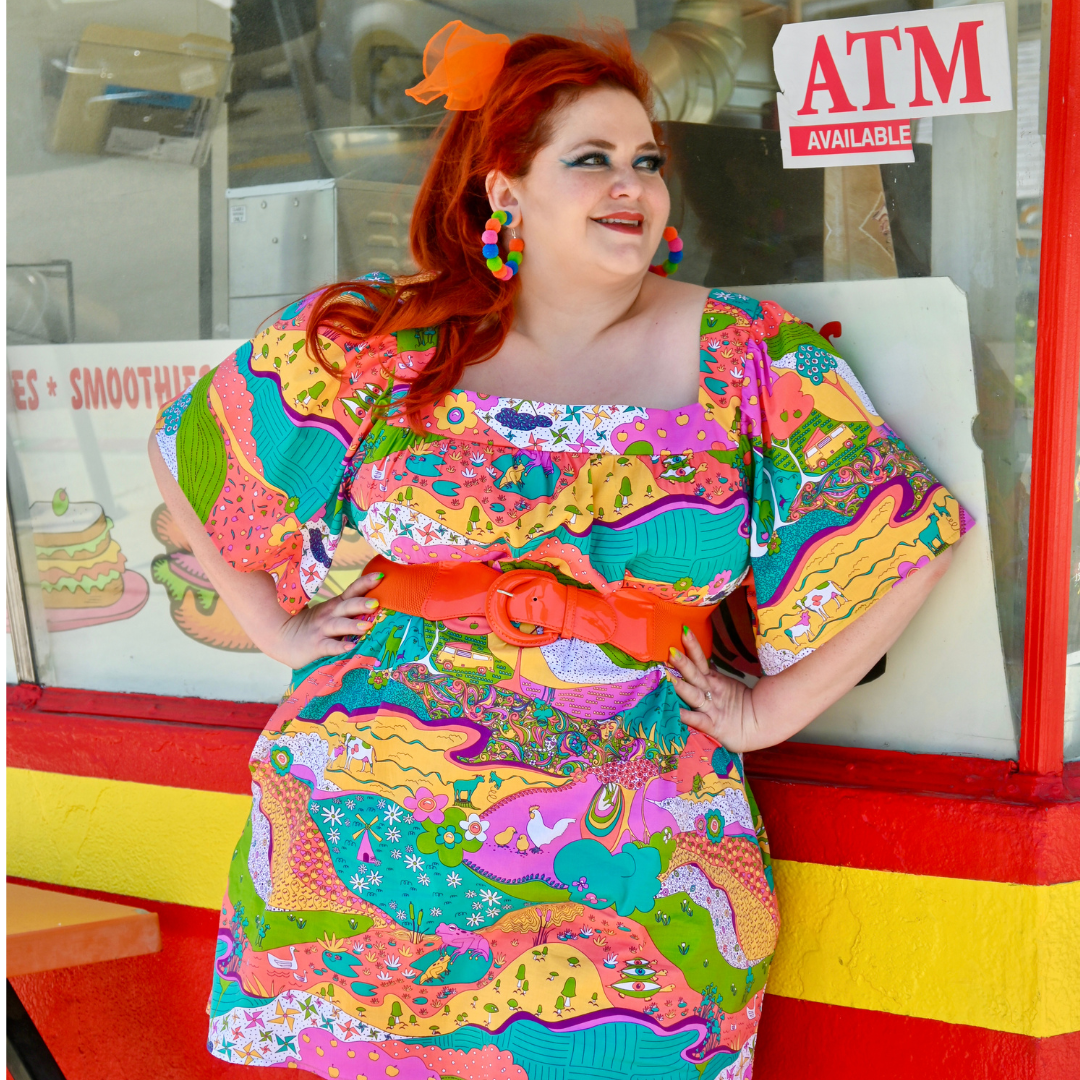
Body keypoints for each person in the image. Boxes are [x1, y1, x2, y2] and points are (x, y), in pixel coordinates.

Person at [149, 22, 966, 1080]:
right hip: (370, 843)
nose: (632, 184)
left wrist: (772, 713)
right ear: (506, 193)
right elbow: (191, 453)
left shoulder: (746, 359)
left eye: (647, 162)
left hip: (636, 869)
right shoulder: (397, 345)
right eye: (592, 160)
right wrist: (272, 626)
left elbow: (909, 536)